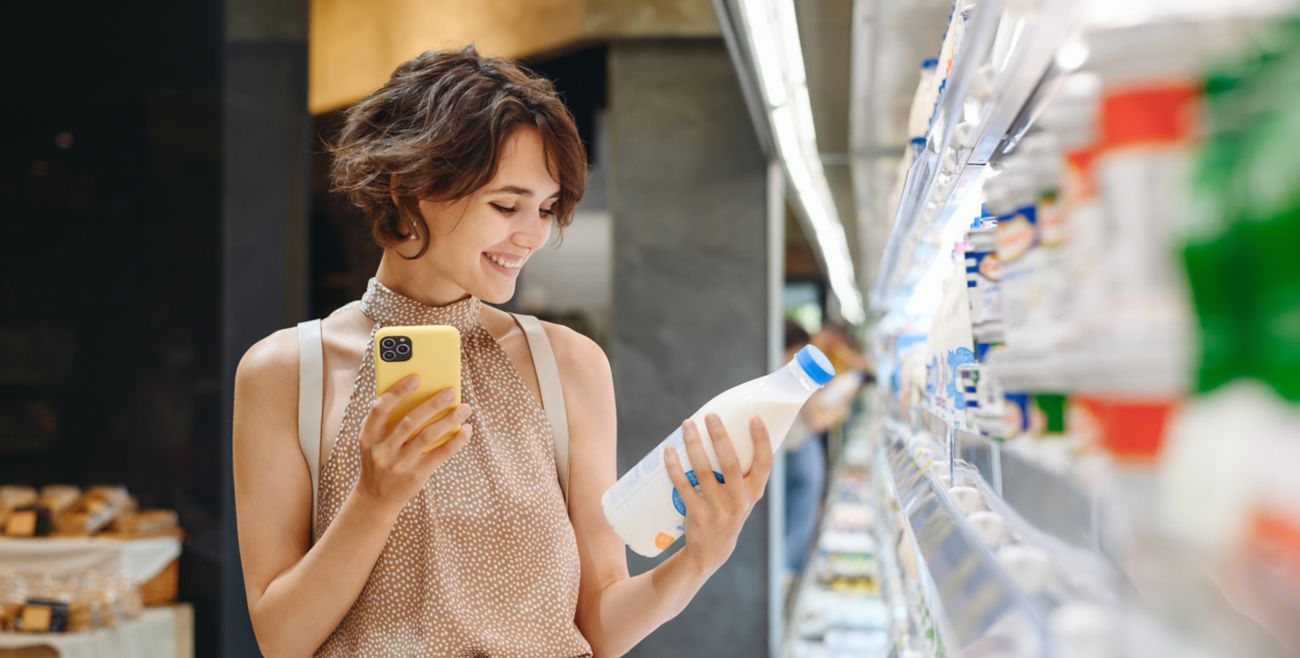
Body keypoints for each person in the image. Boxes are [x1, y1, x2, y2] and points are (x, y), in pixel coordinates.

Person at [232, 46, 775, 657]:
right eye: (505, 204)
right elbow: (280, 641)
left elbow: (598, 624)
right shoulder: (286, 373)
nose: (533, 234)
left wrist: (699, 559)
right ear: (408, 188)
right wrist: (373, 501)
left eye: (545, 208)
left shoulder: (568, 365)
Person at [781, 321, 864, 589]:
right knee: (798, 521)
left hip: (790, 451)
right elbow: (817, 420)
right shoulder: (798, 368)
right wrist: (841, 409)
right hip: (799, 449)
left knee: (794, 518)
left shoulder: (780, 367)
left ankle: (786, 576)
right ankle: (787, 577)